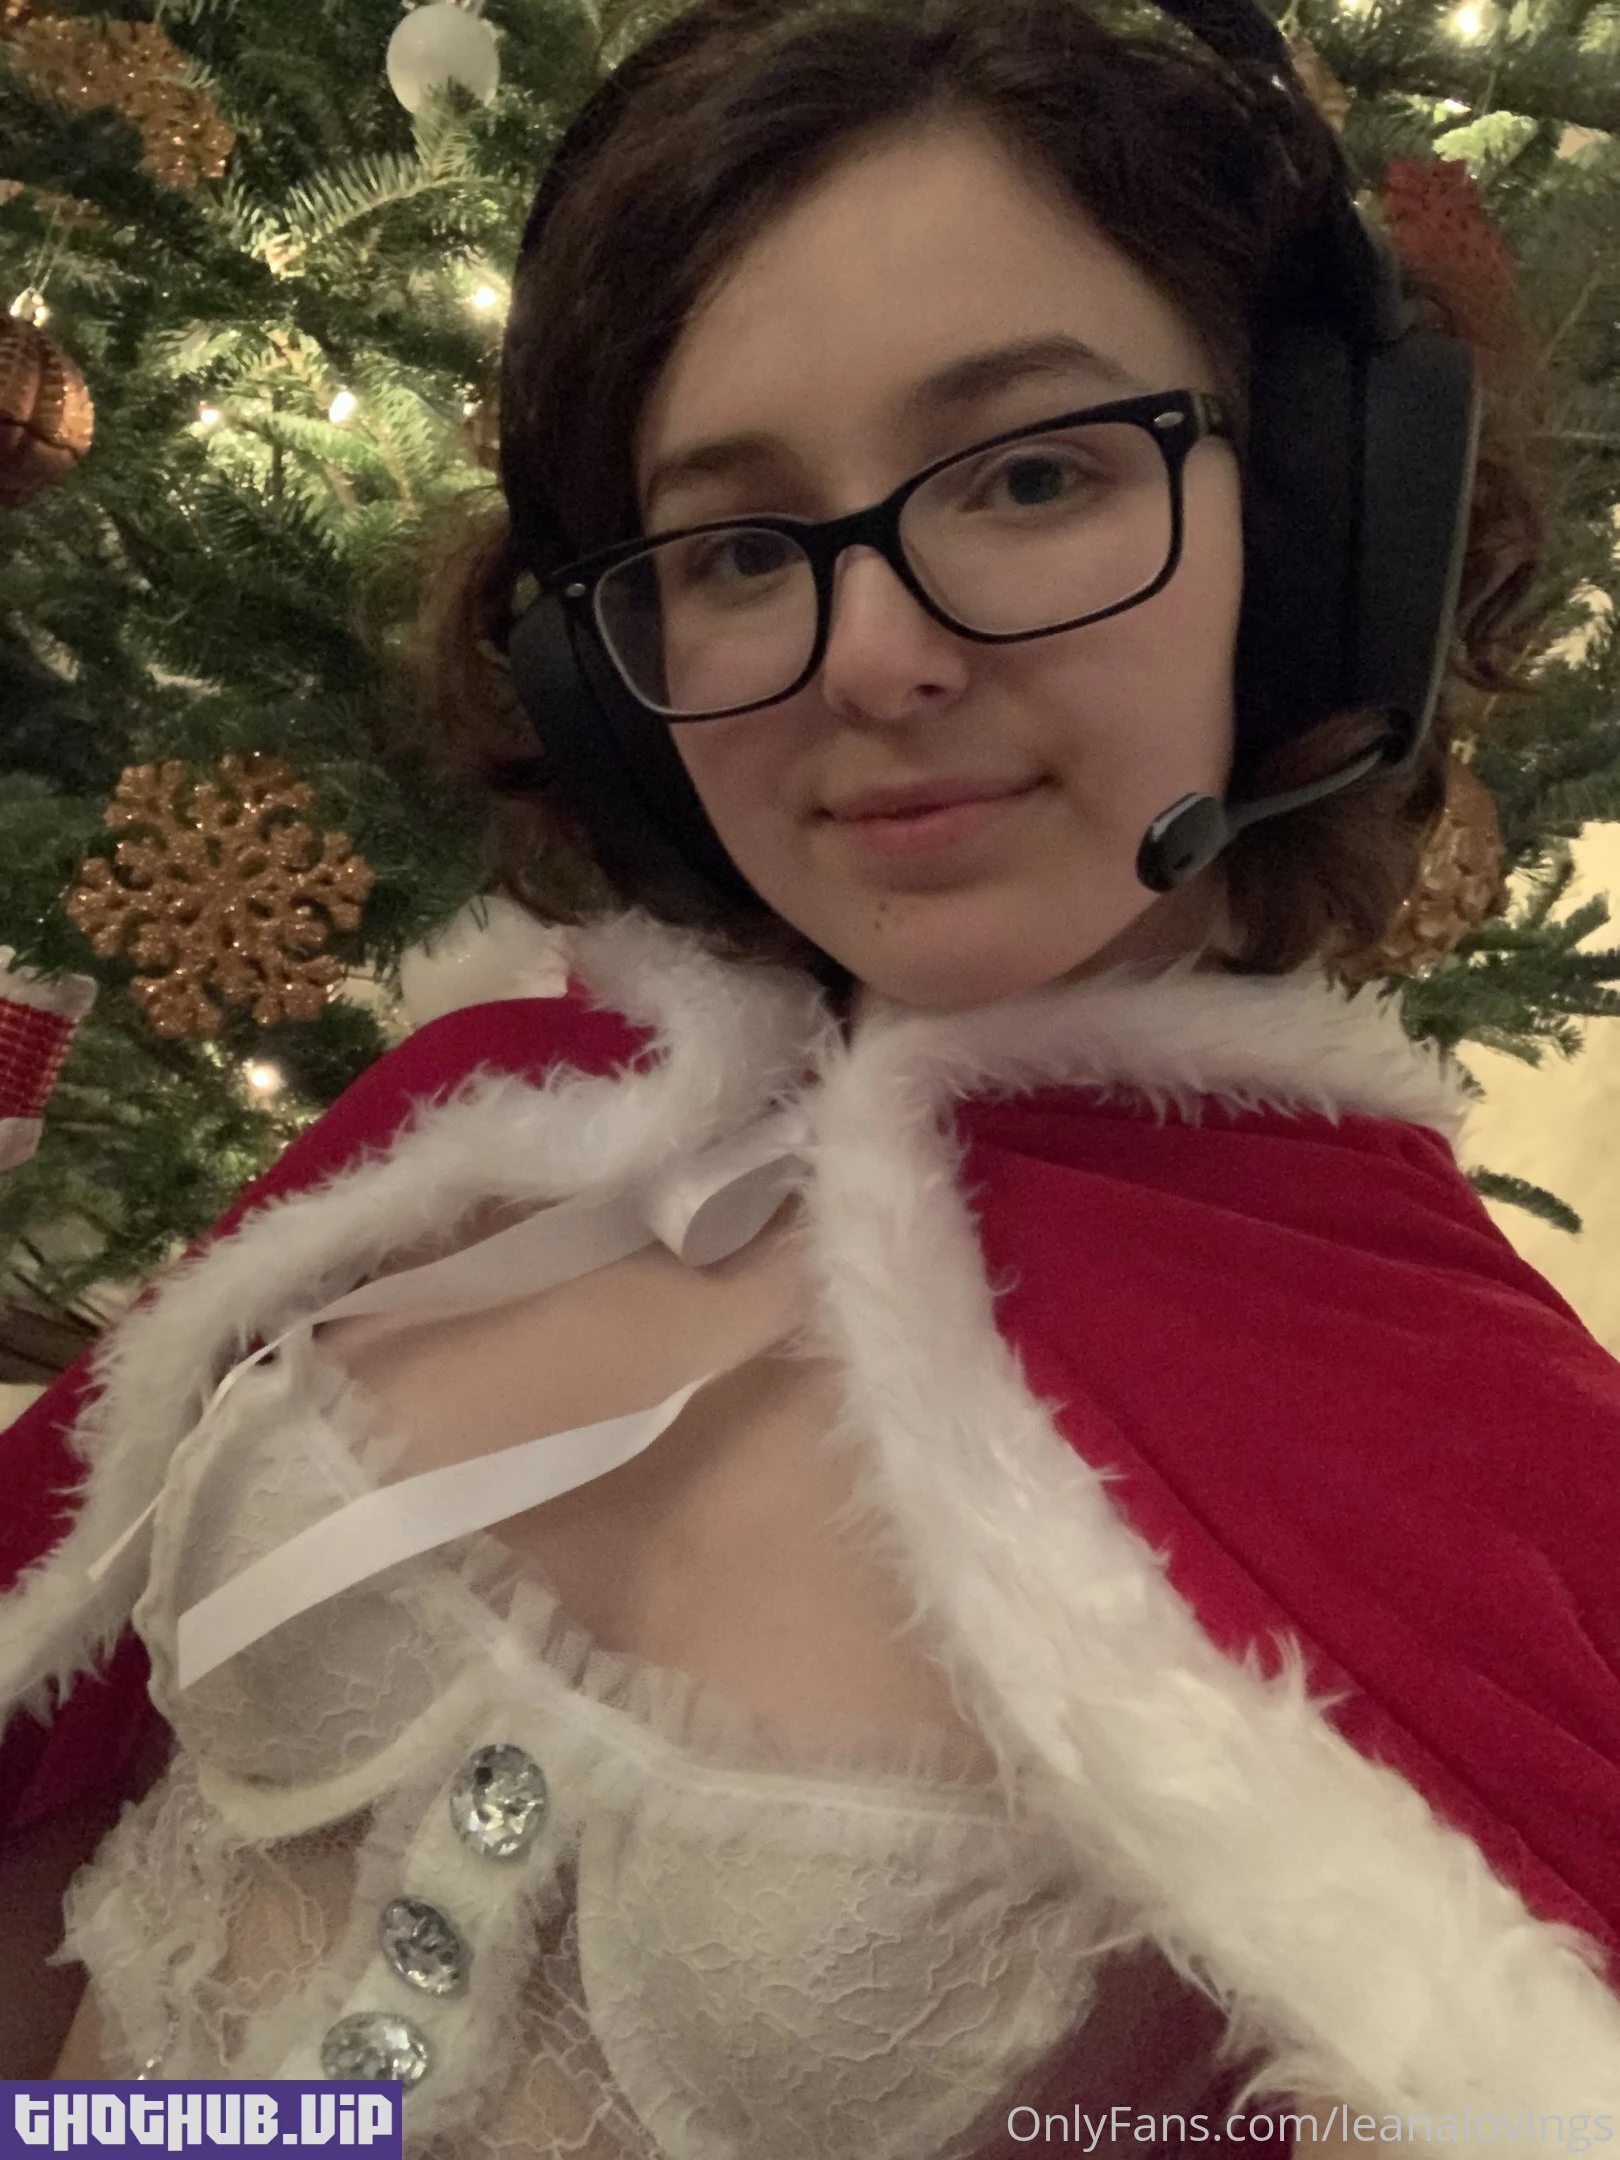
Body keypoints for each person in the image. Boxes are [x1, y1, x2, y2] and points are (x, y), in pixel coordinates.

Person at [3, 0, 1620, 2149]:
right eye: (740, 549)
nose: (873, 659)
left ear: (1328, 526)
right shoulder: (477, 1134)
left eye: (1034, 472)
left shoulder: (1492, 1473)